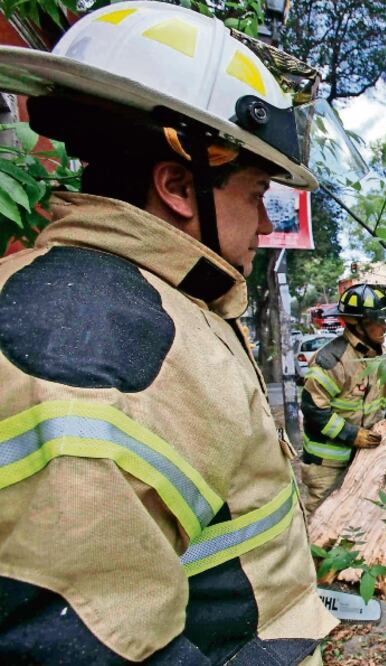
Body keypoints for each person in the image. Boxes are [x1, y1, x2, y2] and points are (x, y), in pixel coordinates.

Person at [0, 3, 344, 661]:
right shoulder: (93, 347)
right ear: (179, 186)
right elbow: (86, 642)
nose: (270, 226)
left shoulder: (143, 305)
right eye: (258, 195)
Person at [300, 283, 386, 515]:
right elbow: (314, 411)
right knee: (322, 522)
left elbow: (382, 399)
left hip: (364, 459)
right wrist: (353, 435)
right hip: (328, 466)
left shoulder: (376, 357)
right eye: (378, 321)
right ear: (357, 323)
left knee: (358, 520)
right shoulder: (332, 360)